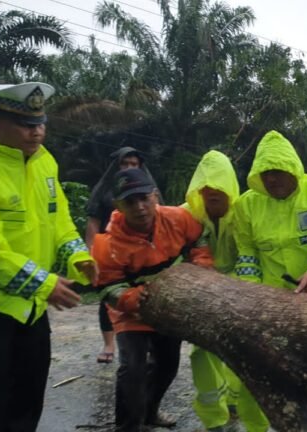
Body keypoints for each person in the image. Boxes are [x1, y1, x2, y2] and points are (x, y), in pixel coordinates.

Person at [0, 82, 95, 431]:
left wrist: (79, 257)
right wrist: (45, 283)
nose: (37, 132)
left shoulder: (45, 163)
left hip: (30, 311)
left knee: (27, 405)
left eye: (41, 122)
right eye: (26, 125)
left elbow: (59, 218)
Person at [232, 130, 307, 432]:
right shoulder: (248, 205)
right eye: (266, 174)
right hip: (272, 302)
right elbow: (246, 253)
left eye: (278, 172)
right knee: (259, 371)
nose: (272, 180)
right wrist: (251, 292)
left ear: (292, 168)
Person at [92, 168, 214, 432]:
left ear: (155, 196)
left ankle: (150, 412)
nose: (139, 207)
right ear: (118, 206)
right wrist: (132, 299)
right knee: (133, 368)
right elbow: (106, 287)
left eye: (144, 198)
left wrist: (202, 263)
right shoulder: (107, 244)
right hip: (131, 313)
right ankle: (128, 426)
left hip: (169, 308)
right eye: (130, 201)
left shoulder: (179, 218)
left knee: (167, 366)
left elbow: (199, 237)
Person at [183, 150, 243, 431]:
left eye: (219, 184)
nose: (212, 191)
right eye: (206, 186)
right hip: (202, 295)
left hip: (240, 292)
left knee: (239, 352)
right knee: (202, 353)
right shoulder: (186, 216)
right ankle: (214, 419)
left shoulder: (244, 213)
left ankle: (236, 403)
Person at [86, 146, 158, 364]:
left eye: (134, 164)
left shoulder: (147, 189)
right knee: (109, 299)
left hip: (141, 252)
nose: (129, 167)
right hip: (110, 251)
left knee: (146, 297)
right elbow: (93, 222)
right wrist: (91, 253)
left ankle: (147, 344)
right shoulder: (105, 191)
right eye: (124, 164)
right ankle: (109, 344)